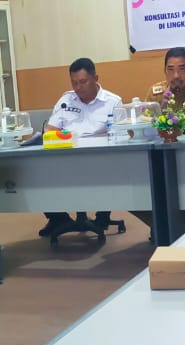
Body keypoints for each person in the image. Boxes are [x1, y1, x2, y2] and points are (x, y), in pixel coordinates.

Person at [39, 58, 124, 237]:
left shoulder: (113, 102)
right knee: (39, 175)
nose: (78, 87)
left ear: (95, 78)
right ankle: (58, 219)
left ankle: (102, 217)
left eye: (83, 82)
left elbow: (121, 135)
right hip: (67, 158)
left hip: (101, 160)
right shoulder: (66, 100)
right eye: (74, 83)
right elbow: (50, 130)